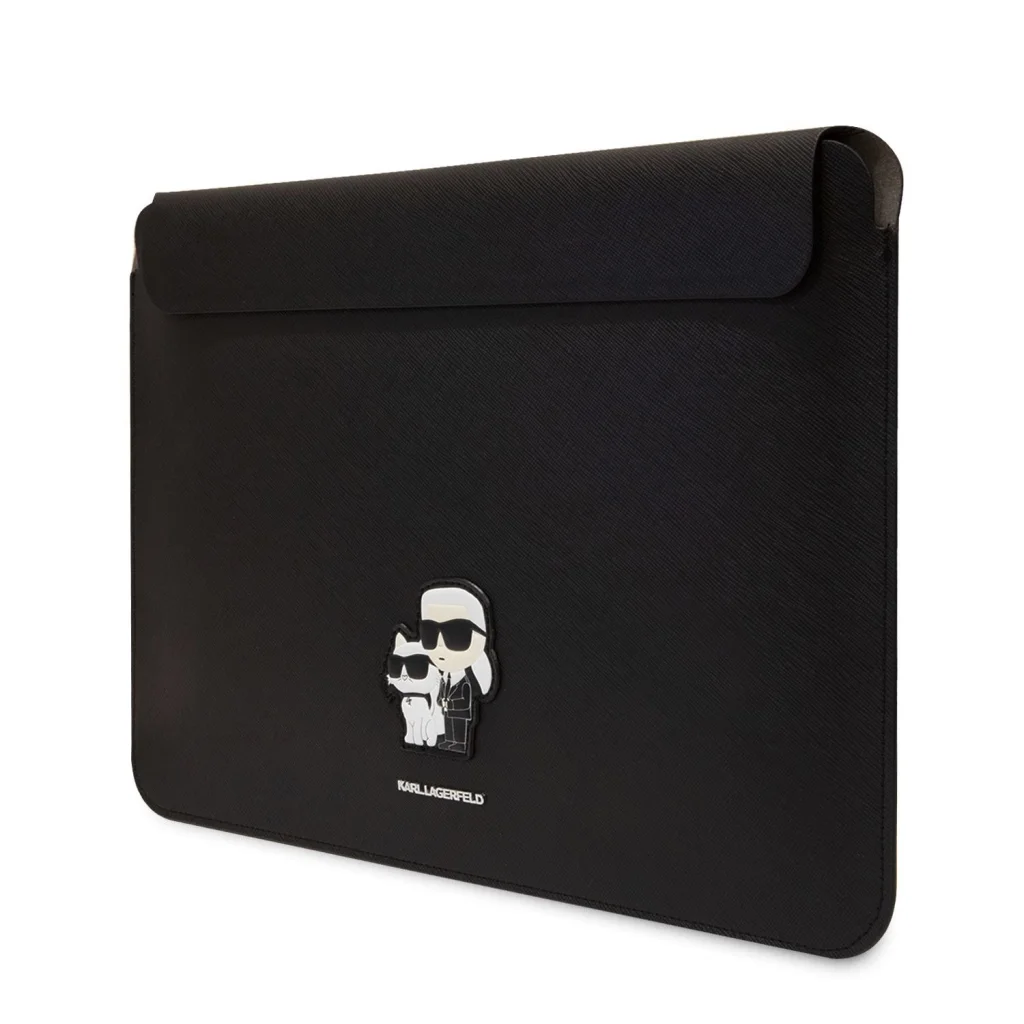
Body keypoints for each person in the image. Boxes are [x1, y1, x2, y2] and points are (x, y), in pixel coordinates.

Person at [419, 583, 497, 756]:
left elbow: (465, 696)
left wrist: (451, 703)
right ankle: (450, 741)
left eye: (456, 634)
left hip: (460, 712)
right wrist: (441, 701)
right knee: (449, 726)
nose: (440, 644)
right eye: (430, 633)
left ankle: (459, 743)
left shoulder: (466, 679)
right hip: (447, 710)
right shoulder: (444, 676)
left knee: (459, 728)